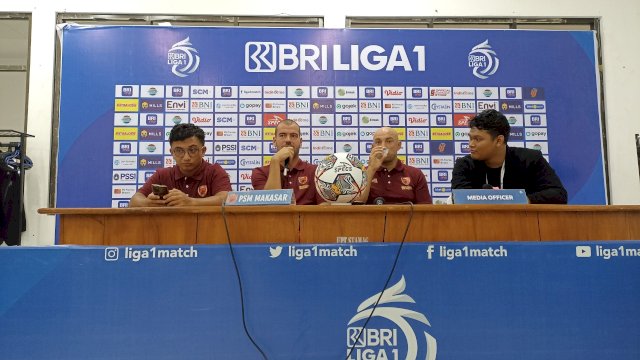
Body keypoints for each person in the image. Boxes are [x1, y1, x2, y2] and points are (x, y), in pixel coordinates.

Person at [451, 109, 568, 204]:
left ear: (498, 140)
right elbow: (460, 200)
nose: (471, 144)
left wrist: (522, 199)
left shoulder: (531, 160)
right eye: (470, 138)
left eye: (477, 139)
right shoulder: (464, 165)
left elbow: (558, 194)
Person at [129, 123, 231, 207]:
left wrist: (190, 202)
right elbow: (134, 201)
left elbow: (227, 199)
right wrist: (149, 203)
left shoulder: (214, 171)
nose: (186, 157)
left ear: (203, 151)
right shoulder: (162, 175)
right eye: (179, 151)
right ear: (172, 152)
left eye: (192, 150)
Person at [251, 119, 323, 205]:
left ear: (301, 142)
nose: (288, 140)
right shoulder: (260, 173)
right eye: (282, 135)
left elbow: (324, 209)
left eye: (293, 136)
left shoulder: (316, 172)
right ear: (274, 141)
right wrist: (275, 161)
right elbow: (269, 208)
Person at [357, 127, 432, 204]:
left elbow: (426, 211)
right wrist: (371, 169)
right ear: (373, 147)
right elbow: (357, 205)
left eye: (389, 141)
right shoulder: (360, 173)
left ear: (398, 145)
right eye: (378, 142)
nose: (383, 146)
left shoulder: (415, 174)